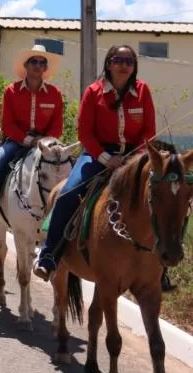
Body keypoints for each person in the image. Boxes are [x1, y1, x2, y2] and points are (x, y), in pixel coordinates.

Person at [33, 45, 155, 280]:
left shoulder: (143, 92)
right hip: (97, 155)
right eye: (118, 60)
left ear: (134, 65)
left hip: (135, 158)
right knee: (68, 193)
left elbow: (148, 131)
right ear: (108, 63)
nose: (123, 65)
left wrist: (133, 159)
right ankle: (49, 255)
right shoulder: (93, 92)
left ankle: (161, 263)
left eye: (129, 61)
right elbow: (85, 133)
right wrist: (107, 159)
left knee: (162, 195)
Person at [0, 44, 64, 248]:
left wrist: (44, 141)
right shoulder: (11, 91)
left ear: (45, 68)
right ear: (26, 66)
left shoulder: (55, 93)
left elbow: (57, 126)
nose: (38, 66)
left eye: (42, 63)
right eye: (34, 62)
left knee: (65, 174)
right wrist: (29, 140)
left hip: (45, 145)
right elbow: (7, 125)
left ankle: (63, 232)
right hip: (16, 141)